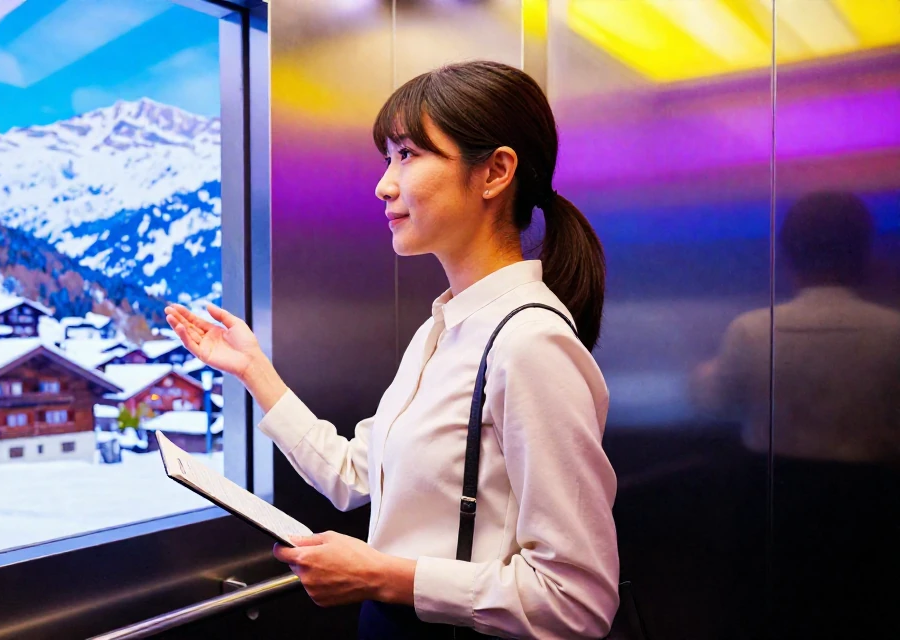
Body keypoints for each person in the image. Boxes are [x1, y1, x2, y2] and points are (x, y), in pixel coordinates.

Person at [166, 60, 619, 639]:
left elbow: (577, 600)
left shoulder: (531, 343)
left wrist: (383, 577)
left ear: (495, 172)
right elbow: (355, 474)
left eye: (407, 155)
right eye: (389, 158)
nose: (384, 183)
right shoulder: (441, 330)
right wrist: (253, 370)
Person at [692, 191, 900, 637]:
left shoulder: (751, 330)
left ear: (786, 253)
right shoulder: (893, 334)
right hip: (874, 518)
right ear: (865, 251)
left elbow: (713, 402)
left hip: (773, 514)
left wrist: (700, 372)